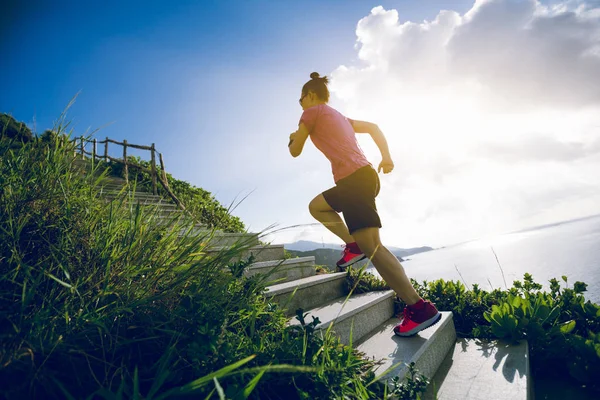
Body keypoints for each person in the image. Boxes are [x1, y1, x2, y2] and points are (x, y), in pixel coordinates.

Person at [288, 72, 441, 337]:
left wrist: (294, 136)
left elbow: (295, 150)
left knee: (375, 250)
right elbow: (373, 127)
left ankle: (419, 308)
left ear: (310, 95)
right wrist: (387, 157)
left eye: (301, 98)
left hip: (354, 181)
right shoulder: (340, 117)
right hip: (361, 178)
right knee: (318, 207)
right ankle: (354, 244)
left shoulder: (311, 114)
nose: (299, 103)